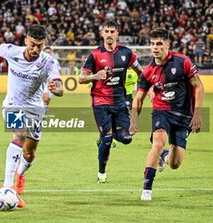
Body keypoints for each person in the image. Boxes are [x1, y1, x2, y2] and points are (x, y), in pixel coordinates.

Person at [0, 25, 63, 208]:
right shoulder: (13, 51)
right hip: (13, 104)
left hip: (35, 109)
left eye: (40, 46)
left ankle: (20, 174)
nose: (36, 50)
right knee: (19, 135)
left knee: (30, 152)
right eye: (33, 45)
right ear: (26, 40)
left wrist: (56, 89)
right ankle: (8, 185)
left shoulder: (49, 62)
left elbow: (59, 86)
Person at [130, 28, 204, 201]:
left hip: (184, 115)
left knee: (175, 164)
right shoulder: (148, 71)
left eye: (159, 44)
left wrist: (197, 114)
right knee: (157, 143)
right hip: (161, 111)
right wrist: (133, 120)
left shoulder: (182, 61)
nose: (155, 48)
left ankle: (164, 155)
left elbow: (198, 86)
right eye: (152, 44)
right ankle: (147, 189)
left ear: (167, 45)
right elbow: (139, 98)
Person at [79, 20, 143, 183]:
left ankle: (105, 136)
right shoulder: (94, 55)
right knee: (107, 139)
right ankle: (101, 173)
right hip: (100, 101)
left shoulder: (127, 53)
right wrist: (95, 76)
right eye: (106, 31)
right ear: (102, 33)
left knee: (126, 138)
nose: (109, 34)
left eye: (112, 31)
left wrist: (147, 89)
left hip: (120, 102)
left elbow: (141, 72)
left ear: (117, 33)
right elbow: (81, 79)